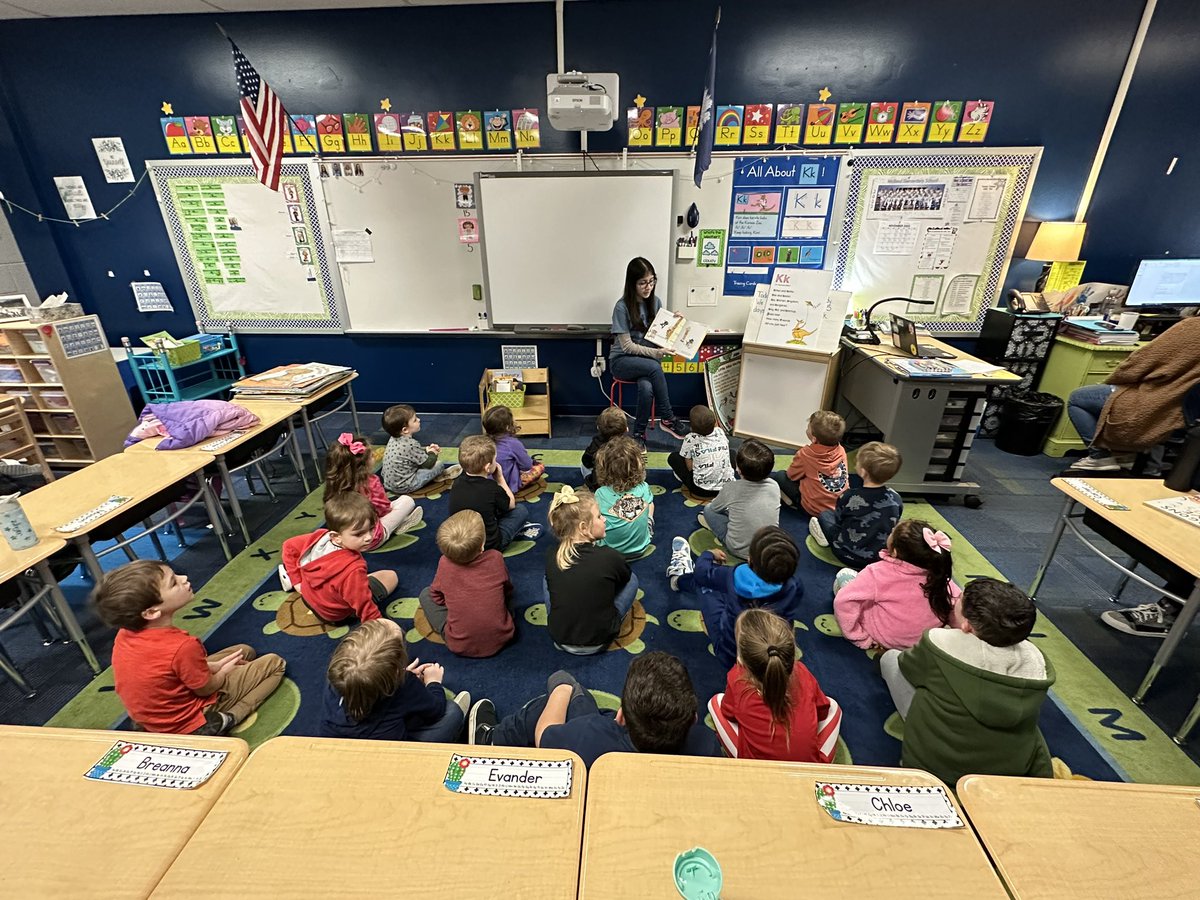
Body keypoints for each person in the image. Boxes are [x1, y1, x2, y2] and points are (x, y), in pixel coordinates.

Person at [880, 577, 1055, 786]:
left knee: (890, 659)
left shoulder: (939, 643)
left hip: (932, 767)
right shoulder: (1035, 663)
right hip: (1002, 775)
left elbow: (909, 668)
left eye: (959, 599)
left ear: (967, 625)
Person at [94, 560, 285, 734]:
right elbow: (206, 688)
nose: (184, 578)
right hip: (187, 719)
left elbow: (165, 669)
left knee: (244, 651)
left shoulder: (125, 633)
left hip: (151, 715)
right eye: (174, 583)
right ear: (152, 612)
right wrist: (223, 672)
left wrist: (214, 667)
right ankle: (226, 719)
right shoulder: (183, 646)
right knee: (275, 664)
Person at [469, 653, 721, 767]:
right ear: (693, 719)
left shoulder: (590, 735)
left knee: (551, 696)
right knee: (581, 700)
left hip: (592, 743)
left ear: (620, 716)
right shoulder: (706, 745)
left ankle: (490, 739)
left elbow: (544, 735)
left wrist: (562, 689)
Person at [1067, 314, 1200, 471]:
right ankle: (1128, 456)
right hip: (1185, 412)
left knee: (1079, 398)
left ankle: (1100, 457)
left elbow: (1142, 362)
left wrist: (1116, 379)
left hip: (1157, 399)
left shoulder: (1192, 328)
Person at [707, 609, 842, 762]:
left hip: (757, 769)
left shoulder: (736, 679)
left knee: (715, 702)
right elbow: (823, 711)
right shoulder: (803, 673)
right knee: (834, 707)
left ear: (741, 660)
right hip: (809, 770)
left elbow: (728, 712)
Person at [667, 525, 802, 670]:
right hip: (770, 651)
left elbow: (702, 573)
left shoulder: (736, 576)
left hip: (729, 652)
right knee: (724, 589)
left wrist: (708, 555)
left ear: (750, 560)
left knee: (705, 584)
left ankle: (678, 578)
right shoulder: (794, 585)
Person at [320, 618, 471, 741]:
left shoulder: (339, 676)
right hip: (391, 752)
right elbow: (435, 711)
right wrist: (433, 682)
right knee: (452, 712)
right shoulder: (406, 685)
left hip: (341, 744)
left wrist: (394, 675)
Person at [832, 519, 963, 650]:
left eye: (892, 532)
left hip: (884, 637)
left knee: (844, 576)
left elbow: (843, 601)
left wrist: (857, 636)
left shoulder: (877, 572)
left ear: (894, 551)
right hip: (920, 643)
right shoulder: (939, 575)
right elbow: (957, 605)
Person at [544, 486, 638, 654]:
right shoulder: (609, 556)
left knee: (547, 579)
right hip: (601, 640)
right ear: (583, 527)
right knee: (633, 579)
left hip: (560, 638)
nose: (605, 520)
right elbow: (625, 578)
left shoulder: (553, 555)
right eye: (599, 516)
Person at [280, 492, 399, 624]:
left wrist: (298, 583)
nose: (369, 537)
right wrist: (380, 627)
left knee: (354, 582)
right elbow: (364, 605)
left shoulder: (319, 538)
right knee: (391, 576)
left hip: (309, 599)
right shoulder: (353, 569)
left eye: (371, 529)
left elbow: (289, 546)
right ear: (336, 537)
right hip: (334, 615)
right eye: (359, 534)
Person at [608, 257, 690, 444]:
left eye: (652, 281)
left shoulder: (656, 302)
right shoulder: (621, 307)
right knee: (654, 368)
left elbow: (660, 336)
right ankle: (668, 418)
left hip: (646, 363)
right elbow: (627, 346)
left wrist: (674, 322)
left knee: (646, 387)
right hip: (622, 361)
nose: (648, 287)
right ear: (632, 284)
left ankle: (638, 435)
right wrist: (656, 354)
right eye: (642, 283)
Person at [418, 509, 515, 658]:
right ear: (482, 546)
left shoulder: (444, 563)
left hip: (459, 643)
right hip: (504, 635)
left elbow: (436, 596)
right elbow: (508, 589)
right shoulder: (496, 558)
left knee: (425, 594)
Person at [809, 441, 904, 569]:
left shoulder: (849, 496)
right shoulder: (896, 499)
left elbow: (839, 521)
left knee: (825, 515)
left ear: (863, 472)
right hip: (878, 558)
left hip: (845, 553)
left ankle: (825, 538)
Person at [324, 432, 421, 550]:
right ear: (364, 464)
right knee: (407, 500)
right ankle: (399, 524)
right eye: (371, 456)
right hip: (371, 538)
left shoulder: (334, 483)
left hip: (344, 538)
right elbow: (384, 509)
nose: (374, 457)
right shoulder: (370, 482)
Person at [448, 434, 542, 551]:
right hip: (489, 545)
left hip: (462, 540)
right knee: (520, 510)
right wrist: (500, 478)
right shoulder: (492, 488)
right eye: (495, 459)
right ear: (488, 467)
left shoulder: (456, 483)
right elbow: (511, 504)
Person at [698, 439, 780, 559]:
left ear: (738, 469)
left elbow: (715, 508)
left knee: (708, 510)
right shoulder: (774, 486)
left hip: (737, 549)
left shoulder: (731, 488)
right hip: (767, 549)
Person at [773, 410, 849, 515]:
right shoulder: (841, 451)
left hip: (813, 508)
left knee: (780, 475)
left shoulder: (805, 454)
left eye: (808, 427)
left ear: (814, 439)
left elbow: (791, 475)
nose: (806, 428)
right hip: (839, 506)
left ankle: (793, 504)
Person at [593, 435, 655, 560]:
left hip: (610, 552)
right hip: (642, 547)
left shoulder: (600, 493)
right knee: (650, 503)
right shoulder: (643, 487)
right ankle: (647, 526)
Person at [380, 404, 462, 493]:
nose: (419, 420)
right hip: (404, 486)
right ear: (405, 430)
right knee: (439, 465)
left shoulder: (393, 438)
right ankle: (437, 477)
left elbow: (408, 455)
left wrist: (426, 450)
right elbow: (428, 464)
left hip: (388, 483)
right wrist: (433, 453)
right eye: (415, 420)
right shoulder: (410, 444)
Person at [668, 404, 735, 499]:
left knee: (674, 457)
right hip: (725, 488)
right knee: (731, 453)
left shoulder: (690, 438)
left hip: (700, 489)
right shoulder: (720, 432)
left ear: (692, 427)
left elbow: (689, 465)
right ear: (715, 423)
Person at [482, 405, 545, 493]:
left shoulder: (481, 442)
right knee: (539, 466)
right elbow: (527, 466)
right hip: (507, 484)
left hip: (484, 482)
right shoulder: (513, 444)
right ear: (508, 427)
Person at [582, 406, 628, 491]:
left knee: (584, 465)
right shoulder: (629, 448)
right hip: (623, 484)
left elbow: (586, 461)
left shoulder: (596, 443)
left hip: (599, 486)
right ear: (626, 430)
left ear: (598, 428)